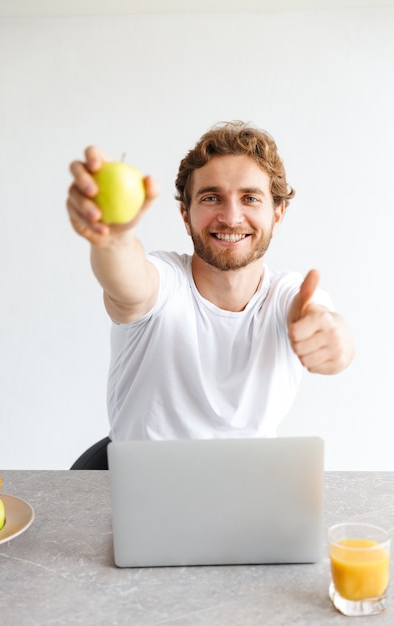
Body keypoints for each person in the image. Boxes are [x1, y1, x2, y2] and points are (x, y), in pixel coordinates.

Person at [67, 121, 354, 441]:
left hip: (252, 487)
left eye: (250, 198)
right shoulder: (165, 283)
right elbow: (129, 285)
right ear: (185, 216)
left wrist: (336, 340)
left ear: (277, 214)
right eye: (211, 198)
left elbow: (324, 321)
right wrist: (114, 239)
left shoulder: (287, 296)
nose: (231, 217)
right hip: (145, 489)